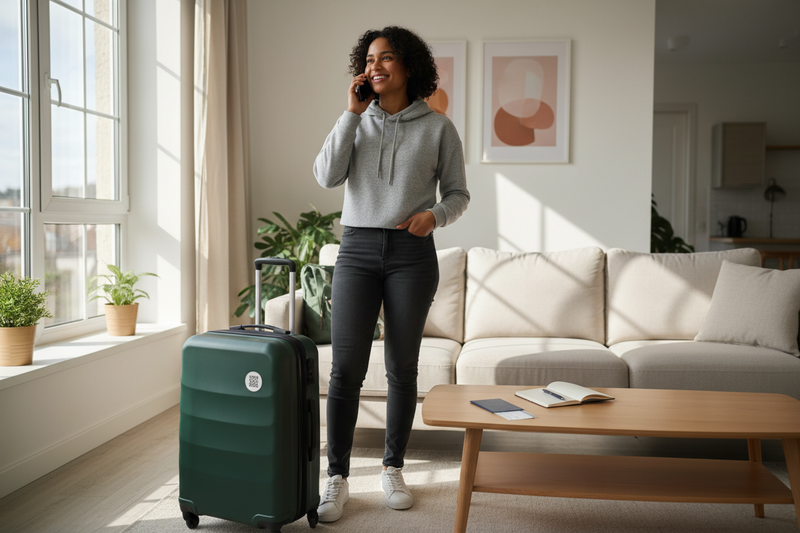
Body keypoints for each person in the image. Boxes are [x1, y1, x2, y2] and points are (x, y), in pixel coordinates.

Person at [312, 26, 470, 522]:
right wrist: (351, 114)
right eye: (370, 59)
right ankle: (336, 477)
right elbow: (325, 175)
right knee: (345, 370)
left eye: (387, 58)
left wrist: (435, 217)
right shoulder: (354, 121)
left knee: (402, 368)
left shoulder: (438, 128)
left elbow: (458, 194)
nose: (375, 66)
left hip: (411, 252)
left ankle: (393, 466)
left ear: (409, 67)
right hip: (356, 249)